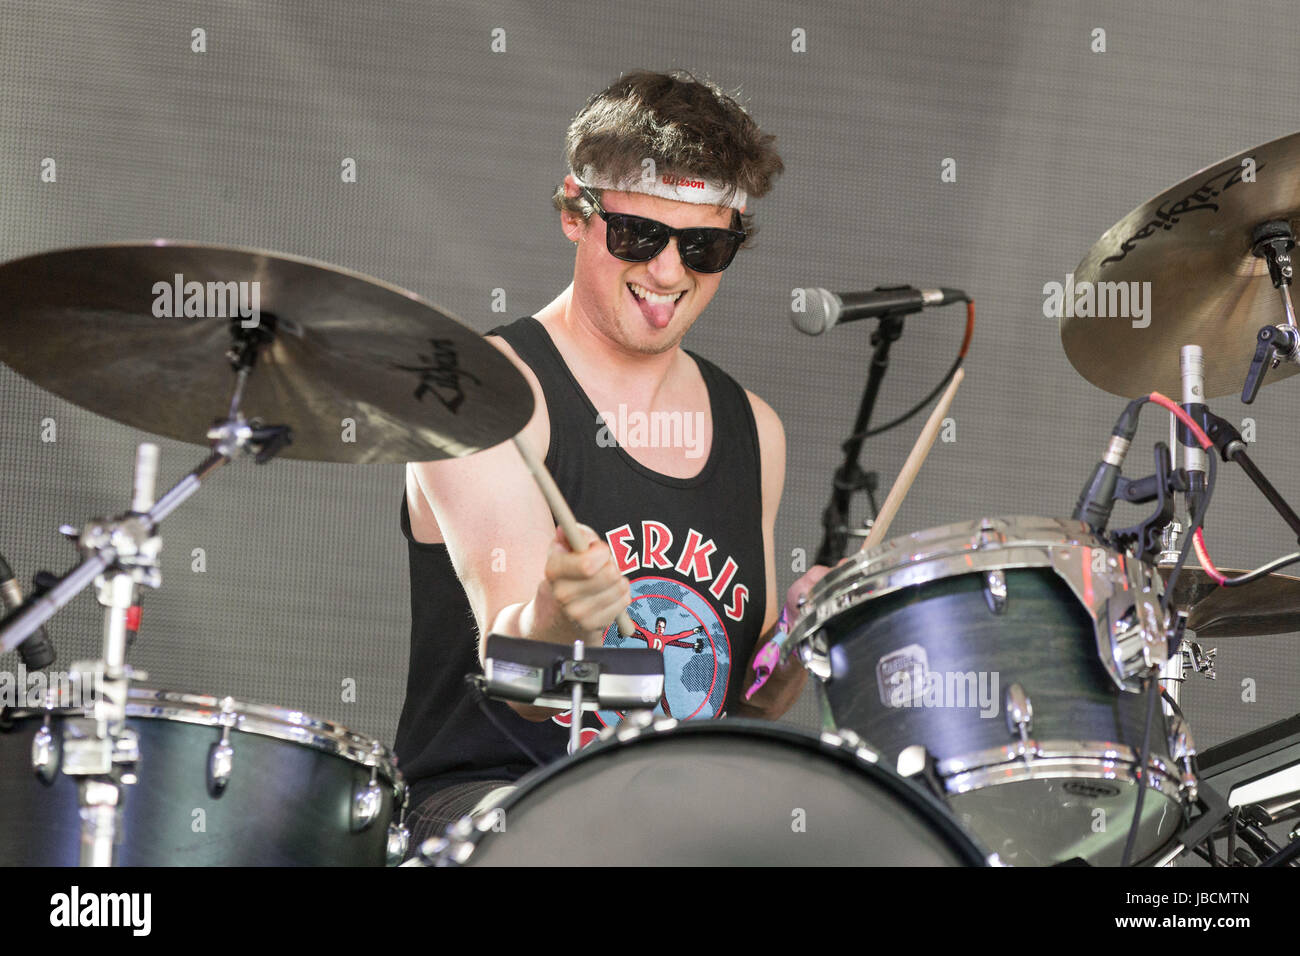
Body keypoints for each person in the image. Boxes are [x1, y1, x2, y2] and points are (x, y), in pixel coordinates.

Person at [395, 69, 826, 851]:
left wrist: (803, 637)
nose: (668, 272)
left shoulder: (754, 429)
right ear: (574, 211)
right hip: (490, 811)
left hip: (678, 822)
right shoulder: (486, 396)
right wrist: (562, 612)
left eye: (704, 245)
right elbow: (520, 680)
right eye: (638, 235)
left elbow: (749, 703)